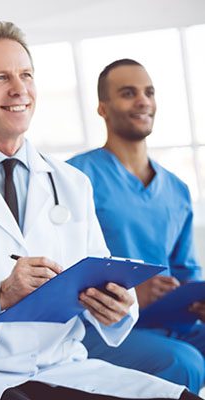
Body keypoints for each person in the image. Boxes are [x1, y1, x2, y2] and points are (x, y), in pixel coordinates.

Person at [0, 20, 200, 400]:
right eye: (1, 78)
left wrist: (116, 307)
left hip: (61, 365)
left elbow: (99, 272)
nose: (19, 89)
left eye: (26, 75)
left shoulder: (70, 183)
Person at [67, 59, 205, 392]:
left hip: (171, 321)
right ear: (103, 108)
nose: (143, 101)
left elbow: (187, 269)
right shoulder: (74, 178)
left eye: (149, 92)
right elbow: (62, 270)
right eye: (128, 93)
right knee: (184, 363)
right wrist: (132, 295)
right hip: (102, 326)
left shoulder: (176, 189)